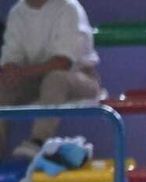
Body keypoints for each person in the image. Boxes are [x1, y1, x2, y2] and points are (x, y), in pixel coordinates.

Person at [0, 0, 99, 160]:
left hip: (79, 77)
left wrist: (21, 72)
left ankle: (39, 140)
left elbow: (63, 62)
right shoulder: (17, 12)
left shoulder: (69, 8)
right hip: (33, 79)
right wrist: (10, 70)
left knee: (55, 79)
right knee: (3, 86)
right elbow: (12, 56)